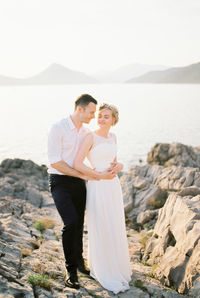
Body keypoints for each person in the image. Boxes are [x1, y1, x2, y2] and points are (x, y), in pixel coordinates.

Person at [47, 94, 114, 289]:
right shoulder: (57, 128)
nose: (94, 116)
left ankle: (80, 262)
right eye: (92, 112)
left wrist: (104, 169)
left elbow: (89, 156)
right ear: (80, 109)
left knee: (79, 223)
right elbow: (54, 161)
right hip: (59, 181)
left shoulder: (86, 132)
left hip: (78, 182)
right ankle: (71, 270)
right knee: (70, 222)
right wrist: (84, 175)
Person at [74, 103, 131, 294]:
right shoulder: (90, 136)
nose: (101, 119)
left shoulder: (113, 136)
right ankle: (104, 269)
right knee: (101, 224)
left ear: (114, 119)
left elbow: (114, 161)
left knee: (114, 224)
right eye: (100, 115)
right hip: (98, 185)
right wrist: (98, 175)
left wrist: (120, 165)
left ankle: (117, 266)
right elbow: (77, 163)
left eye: (106, 116)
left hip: (113, 186)